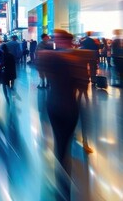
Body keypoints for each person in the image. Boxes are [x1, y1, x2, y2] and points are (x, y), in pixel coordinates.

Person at [37, 29, 83, 200]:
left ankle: (62, 169)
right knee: (64, 141)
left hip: (57, 104)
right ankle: (63, 169)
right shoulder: (74, 58)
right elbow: (81, 83)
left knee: (62, 141)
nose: (53, 40)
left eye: (56, 38)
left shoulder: (52, 56)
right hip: (66, 105)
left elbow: (41, 66)